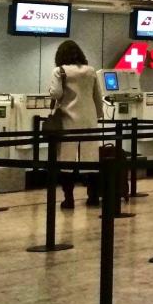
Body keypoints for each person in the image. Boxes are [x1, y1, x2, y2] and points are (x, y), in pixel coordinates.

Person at [48, 40, 105, 209]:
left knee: (67, 160)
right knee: (91, 158)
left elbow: (56, 93)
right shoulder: (90, 71)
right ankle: (93, 196)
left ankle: (69, 199)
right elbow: (97, 96)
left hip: (68, 120)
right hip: (88, 120)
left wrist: (50, 90)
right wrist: (98, 115)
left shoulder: (60, 71)